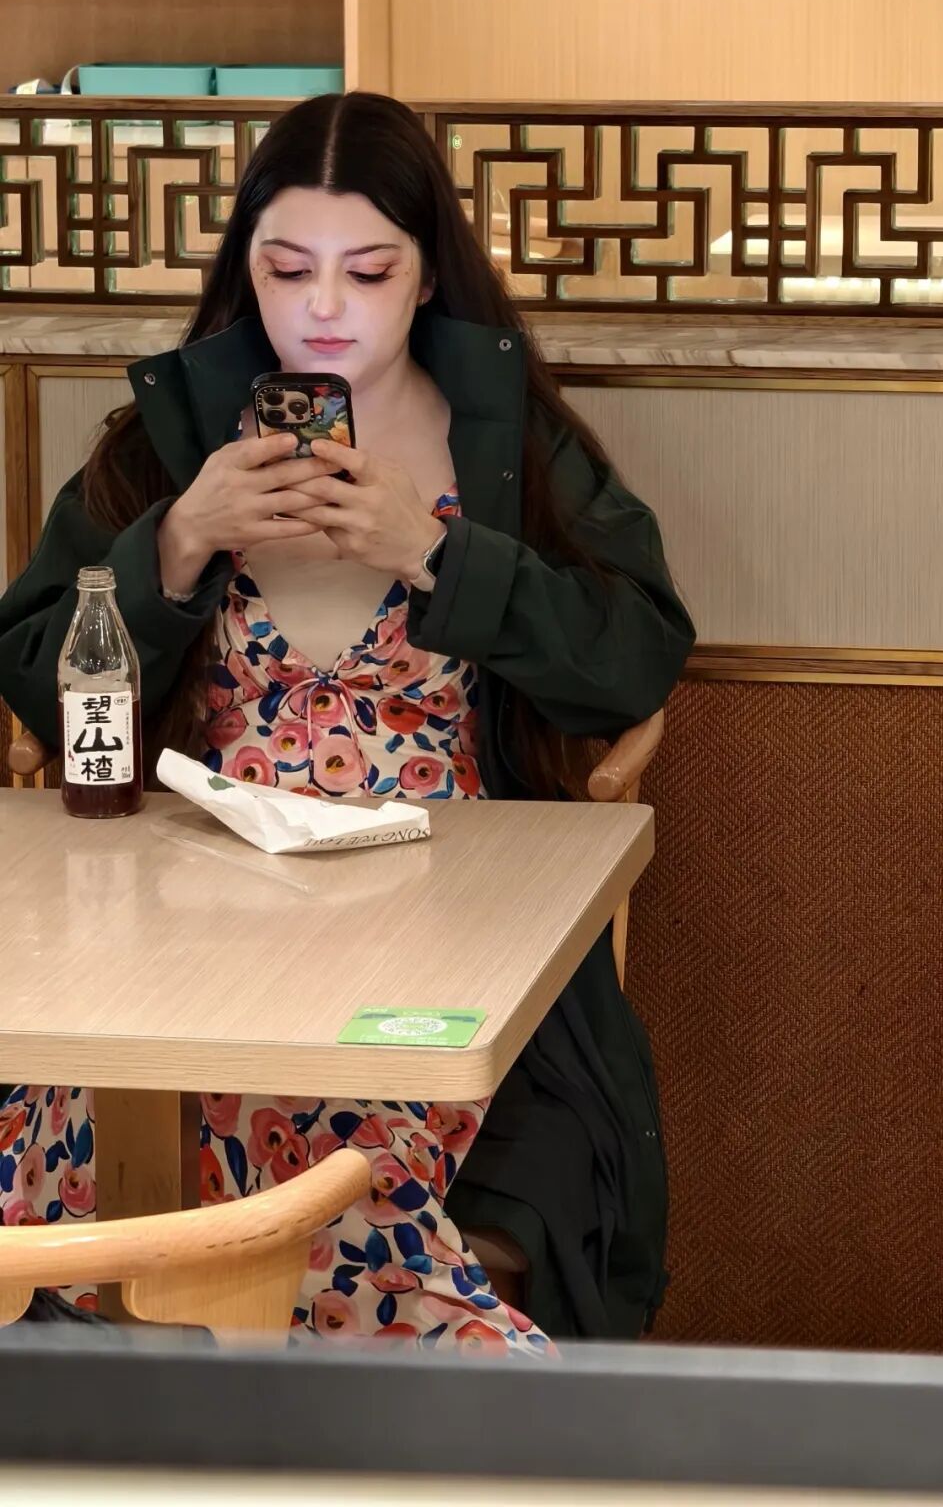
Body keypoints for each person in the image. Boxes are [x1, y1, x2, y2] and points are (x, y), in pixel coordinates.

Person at [0, 92, 694, 1350]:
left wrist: (435, 552)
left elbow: (633, 657)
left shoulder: (501, 448)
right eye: (286, 270)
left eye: (367, 272)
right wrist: (177, 542)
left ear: (427, 273)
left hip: (435, 919)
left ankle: (302, 1388)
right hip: (177, 910)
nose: (324, 308)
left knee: (318, 1148)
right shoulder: (169, 445)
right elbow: (40, 677)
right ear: (244, 273)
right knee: (105, 1098)